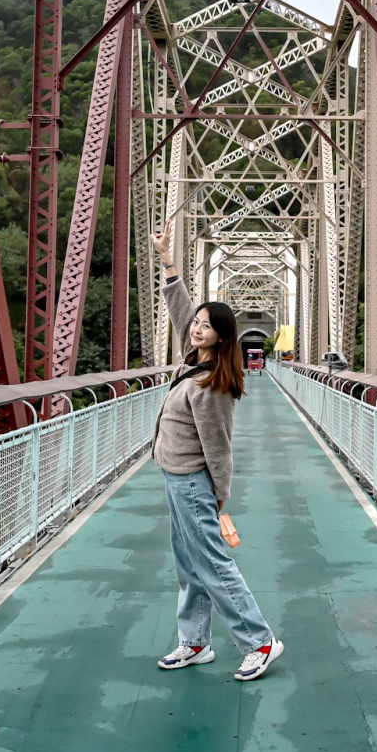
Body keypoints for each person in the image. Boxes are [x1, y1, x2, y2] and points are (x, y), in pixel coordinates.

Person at [150, 227, 284, 682]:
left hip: (192, 482)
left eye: (205, 324)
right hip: (174, 476)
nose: (195, 326)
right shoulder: (195, 360)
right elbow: (179, 311)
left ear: (220, 337)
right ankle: (195, 641)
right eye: (197, 322)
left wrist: (219, 494)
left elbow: (219, 446)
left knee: (211, 563)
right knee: (187, 563)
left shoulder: (212, 385)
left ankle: (259, 640)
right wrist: (168, 260)